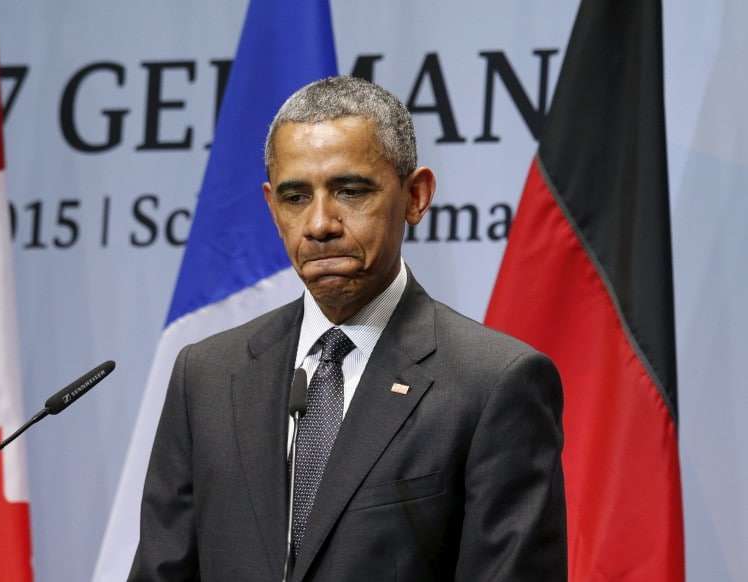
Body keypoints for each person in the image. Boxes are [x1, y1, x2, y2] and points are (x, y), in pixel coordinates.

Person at [128, 76, 566, 582]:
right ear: (272, 208)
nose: (319, 224)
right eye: (295, 197)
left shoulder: (493, 383)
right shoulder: (205, 375)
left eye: (350, 190)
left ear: (416, 196)